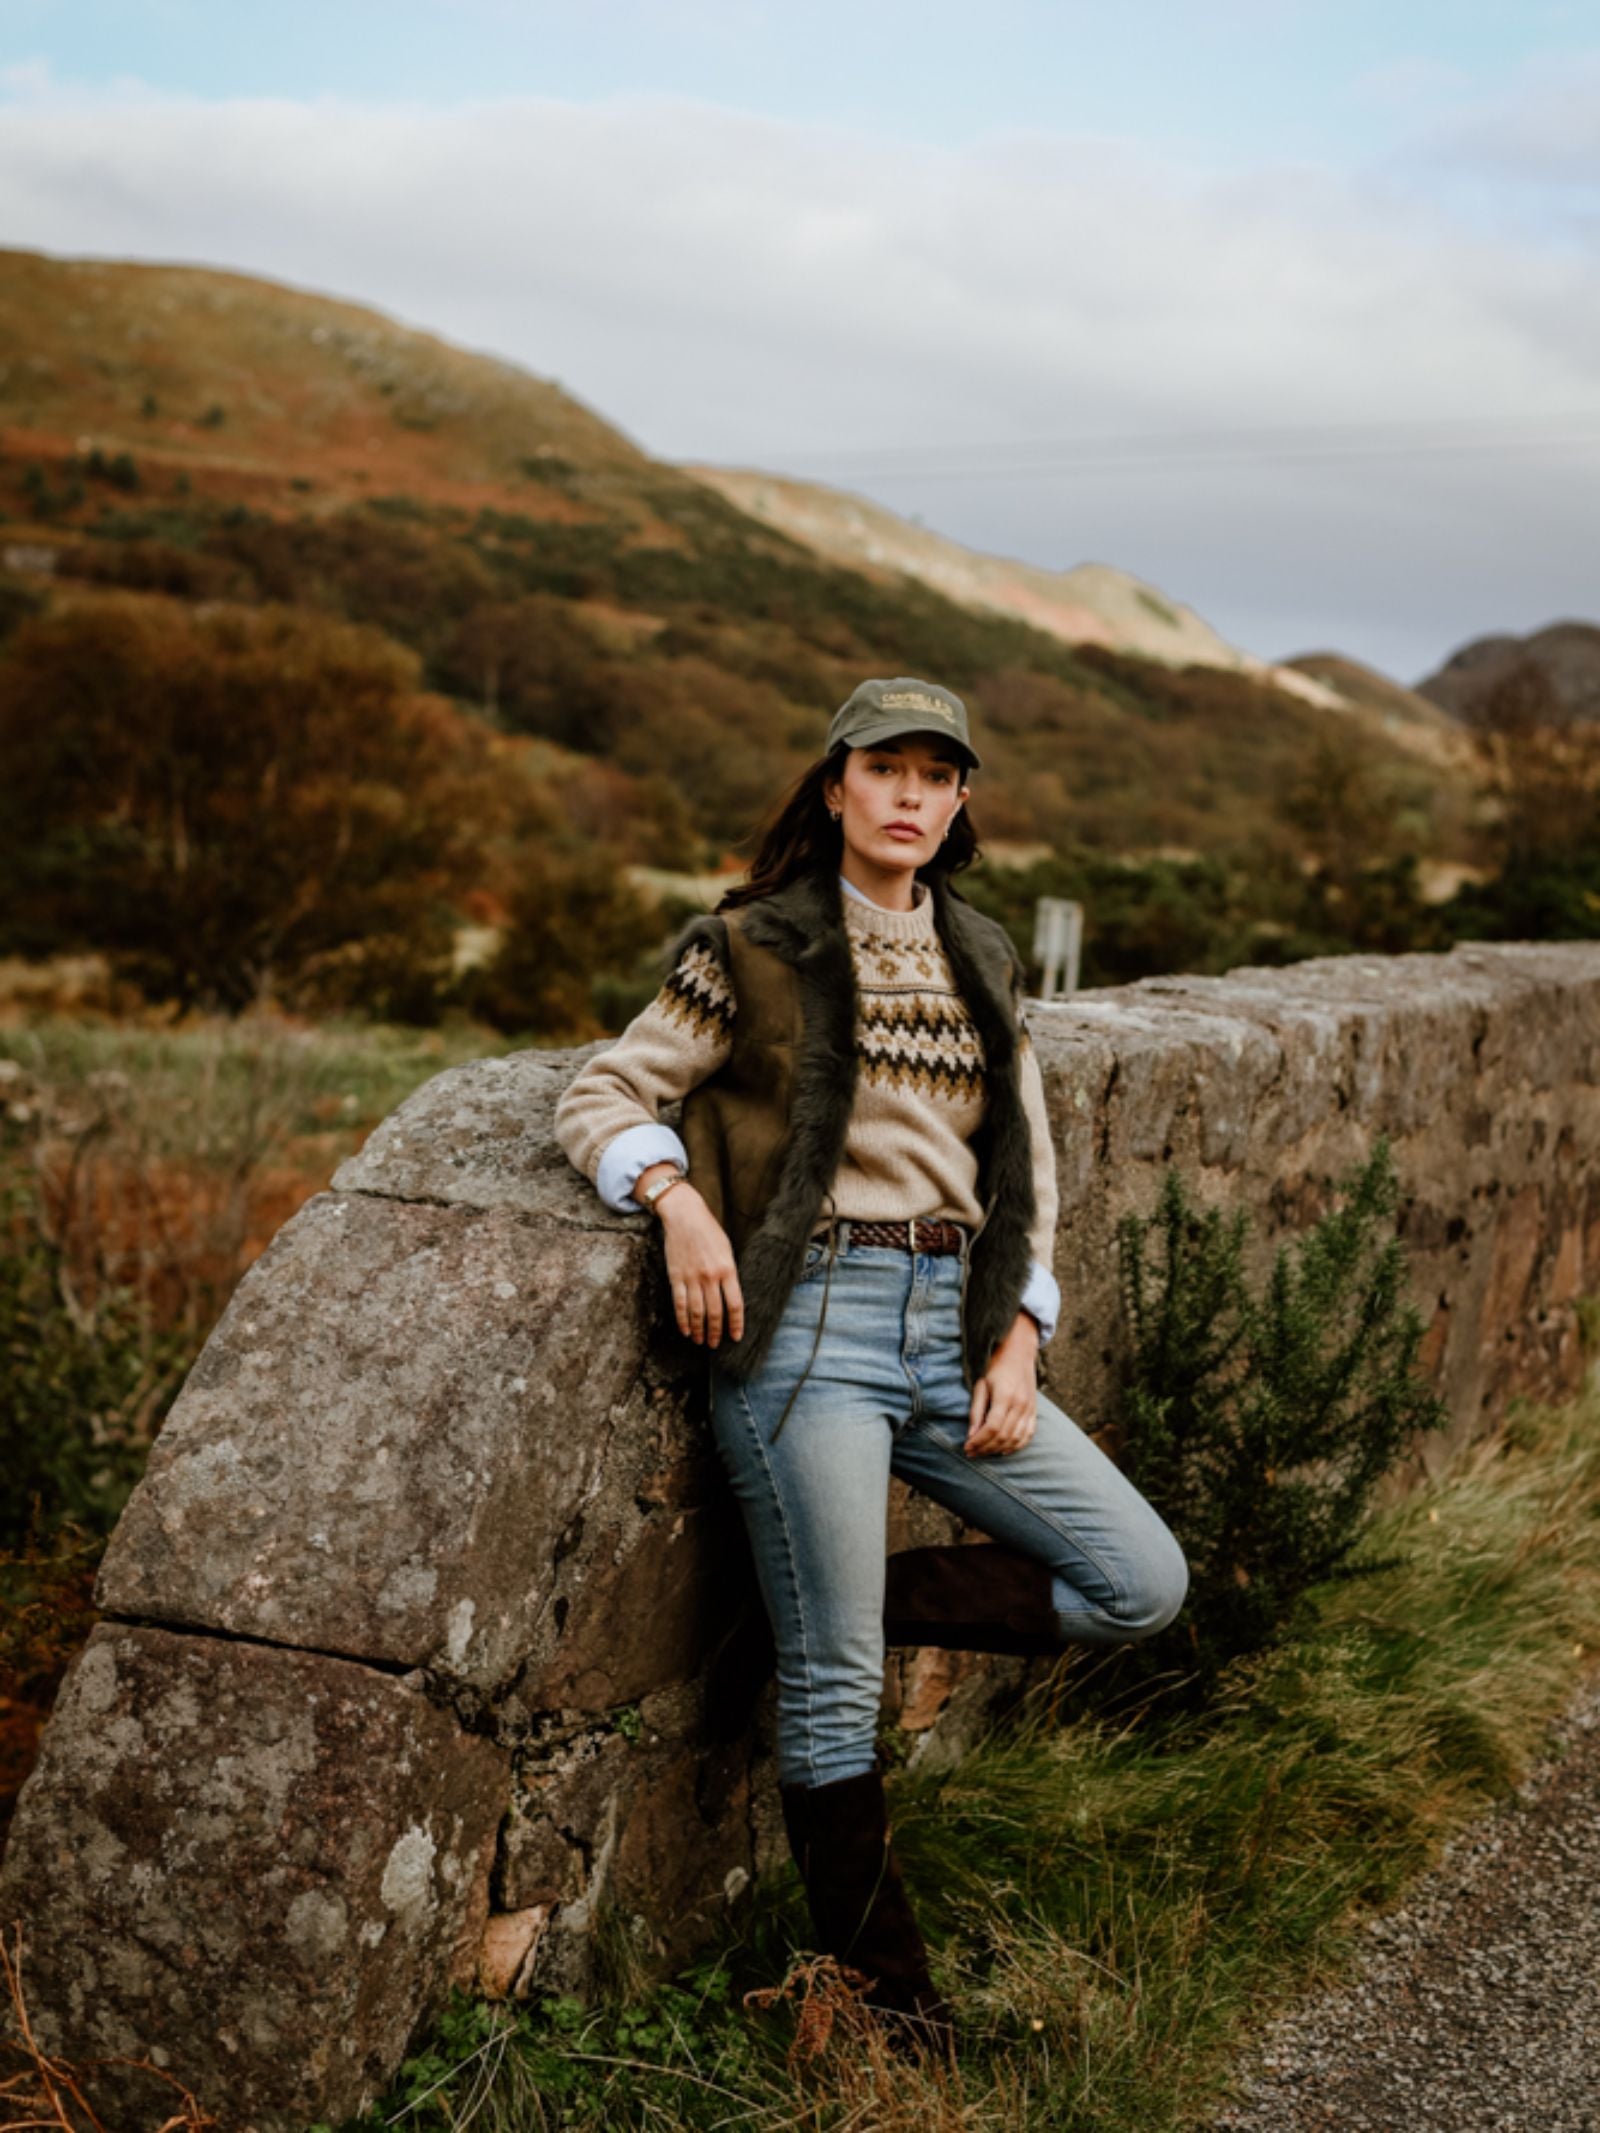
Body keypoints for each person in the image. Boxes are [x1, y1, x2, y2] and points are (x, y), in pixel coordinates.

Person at [554, 675, 1189, 2059]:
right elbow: (603, 1089)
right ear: (835, 783)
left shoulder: (982, 951)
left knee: (1140, 1582)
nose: (909, 793)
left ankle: (822, 1603)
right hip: (809, 1334)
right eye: (883, 767)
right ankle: (895, 2017)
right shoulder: (748, 942)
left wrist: (1021, 1330)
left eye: (936, 774)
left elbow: (1024, 1163)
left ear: (961, 804)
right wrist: (675, 1200)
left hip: (954, 1323)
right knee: (837, 1693)